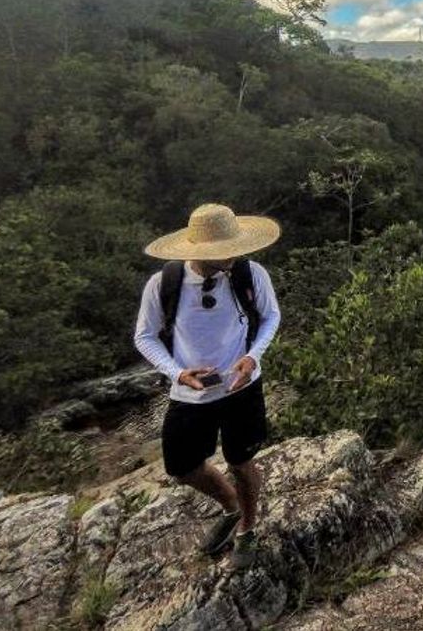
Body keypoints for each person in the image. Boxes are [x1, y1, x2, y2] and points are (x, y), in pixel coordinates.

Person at [133, 203, 282, 570]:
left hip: (242, 388)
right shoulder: (165, 285)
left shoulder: (250, 274)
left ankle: (247, 529)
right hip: (190, 393)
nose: (231, 257)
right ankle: (231, 506)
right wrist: (177, 373)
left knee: (241, 460)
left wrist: (253, 357)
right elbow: (145, 336)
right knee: (182, 466)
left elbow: (271, 316)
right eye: (222, 253)